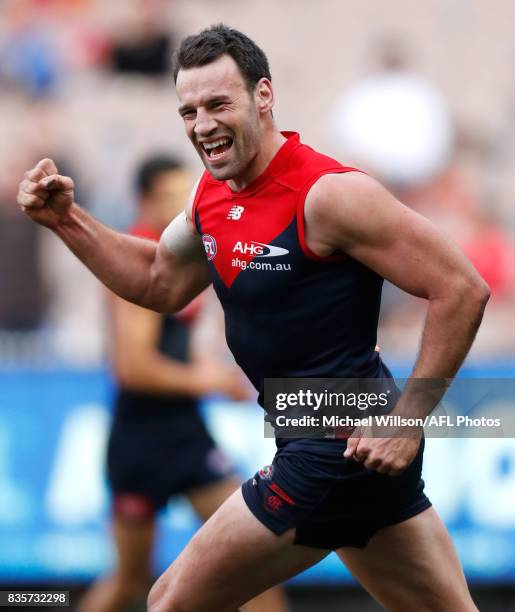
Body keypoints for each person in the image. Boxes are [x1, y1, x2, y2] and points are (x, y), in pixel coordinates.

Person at [18, 24, 489, 612]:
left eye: (218, 104)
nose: (203, 125)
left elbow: (462, 288)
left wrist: (408, 417)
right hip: (331, 440)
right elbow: (159, 281)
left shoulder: (328, 194)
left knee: (169, 602)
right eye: (189, 111)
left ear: (263, 95)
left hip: (336, 446)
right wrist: (68, 221)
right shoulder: (211, 197)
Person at [74, 154, 288, 612]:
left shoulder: (181, 256)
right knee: (131, 580)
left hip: (187, 436)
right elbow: (134, 368)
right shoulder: (134, 263)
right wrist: (209, 381)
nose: (180, 206)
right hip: (138, 443)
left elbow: (183, 345)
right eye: (169, 197)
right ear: (145, 200)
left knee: (257, 563)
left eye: (183, 195)